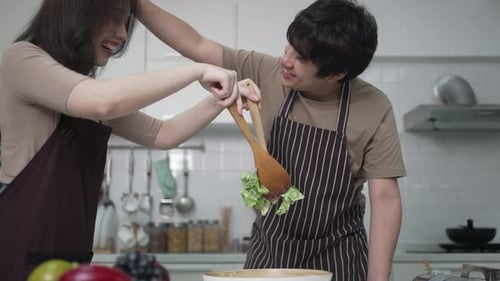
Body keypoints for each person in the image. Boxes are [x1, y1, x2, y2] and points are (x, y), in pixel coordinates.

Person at [138, 0, 406, 280]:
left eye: (302, 57)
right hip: (270, 254)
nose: (286, 60)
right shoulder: (266, 72)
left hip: (339, 256)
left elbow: (385, 198)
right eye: (289, 46)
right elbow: (195, 45)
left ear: (337, 74)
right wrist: (134, 5)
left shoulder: (374, 107)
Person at [0, 0, 260, 279]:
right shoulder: (21, 59)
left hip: (70, 258)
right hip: (19, 250)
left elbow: (164, 133)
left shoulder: (84, 93)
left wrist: (225, 99)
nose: (123, 34)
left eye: (125, 23)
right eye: (113, 19)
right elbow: (102, 102)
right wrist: (197, 69)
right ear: (75, 14)